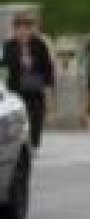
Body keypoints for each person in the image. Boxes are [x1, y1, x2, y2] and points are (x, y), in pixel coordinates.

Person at [3, 15, 55, 149]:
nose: (23, 32)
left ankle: (33, 144)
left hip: (35, 89)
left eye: (26, 28)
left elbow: (47, 70)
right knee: (16, 119)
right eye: (19, 29)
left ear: (31, 30)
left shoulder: (40, 45)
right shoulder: (9, 46)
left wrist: (49, 93)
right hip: (16, 89)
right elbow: (5, 66)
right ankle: (18, 145)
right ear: (14, 30)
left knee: (35, 118)